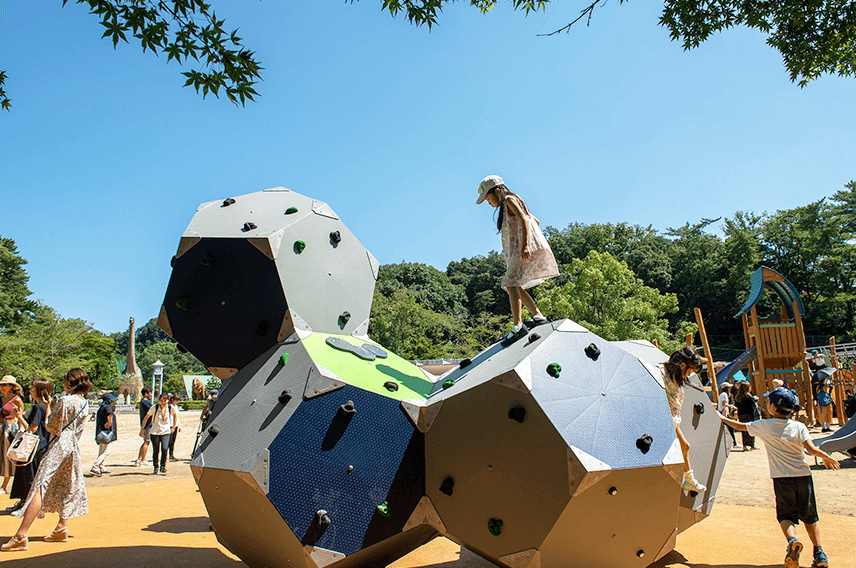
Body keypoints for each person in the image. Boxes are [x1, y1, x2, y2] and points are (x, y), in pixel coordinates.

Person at [717, 387, 839, 568]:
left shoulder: (765, 425)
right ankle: (819, 553)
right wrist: (825, 456)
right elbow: (811, 449)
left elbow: (739, 426)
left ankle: (792, 541)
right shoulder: (799, 426)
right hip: (804, 477)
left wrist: (721, 418)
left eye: (768, 401)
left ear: (773, 407)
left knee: (785, 516)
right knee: (810, 517)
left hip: (782, 478)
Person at [1, 368, 92, 552]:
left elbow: (50, 425)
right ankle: (61, 527)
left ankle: (21, 535)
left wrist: (50, 407)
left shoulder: (65, 401)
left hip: (59, 444)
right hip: (73, 447)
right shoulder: (84, 402)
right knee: (67, 485)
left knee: (39, 486)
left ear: (70, 382)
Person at [476, 175, 559, 344]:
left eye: (488, 198)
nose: (489, 203)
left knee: (510, 283)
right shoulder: (511, 202)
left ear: (497, 191)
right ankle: (538, 316)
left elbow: (525, 220)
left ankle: (518, 326)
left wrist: (526, 245)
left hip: (524, 248)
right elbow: (535, 219)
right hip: (522, 248)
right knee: (516, 284)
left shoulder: (509, 201)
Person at [661, 346, 707, 493]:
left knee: (684, 446)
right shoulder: (662, 373)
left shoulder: (678, 378)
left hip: (673, 422)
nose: (690, 374)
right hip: (664, 421)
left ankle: (689, 480)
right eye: (691, 370)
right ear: (682, 365)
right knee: (675, 450)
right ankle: (685, 480)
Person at [7, 379, 52, 512]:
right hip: (40, 446)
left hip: (33, 447)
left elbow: (32, 429)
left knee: (28, 477)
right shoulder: (44, 407)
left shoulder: (38, 408)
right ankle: (25, 503)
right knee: (29, 476)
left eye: (33, 388)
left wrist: (19, 417)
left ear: (40, 390)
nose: (30, 390)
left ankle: (27, 505)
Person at [1, 375, 26, 496]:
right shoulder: (0, 398)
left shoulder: (17, 400)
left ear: (12, 386)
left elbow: (21, 416)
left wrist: (20, 433)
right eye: (1, 385)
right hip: (0, 428)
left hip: (9, 429)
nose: (1, 387)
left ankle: (4, 486)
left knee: (7, 457)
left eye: (4, 385)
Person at [142, 392, 178, 475]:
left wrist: (174, 427)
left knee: (165, 448)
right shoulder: (155, 407)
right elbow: (147, 417)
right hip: (155, 431)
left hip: (166, 431)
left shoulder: (170, 407)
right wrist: (143, 428)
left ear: (168, 401)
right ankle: (156, 467)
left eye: (165, 401)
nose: (163, 403)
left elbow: (175, 415)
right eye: (161, 401)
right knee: (156, 450)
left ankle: (163, 466)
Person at [90, 393, 118, 476]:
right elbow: (110, 414)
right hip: (106, 432)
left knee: (101, 450)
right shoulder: (108, 407)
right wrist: (109, 423)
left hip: (100, 432)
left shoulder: (101, 408)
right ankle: (95, 467)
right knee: (107, 451)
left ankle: (102, 467)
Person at [734, 381, 760, 450]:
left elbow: (736, 405)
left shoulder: (738, 396)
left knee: (744, 431)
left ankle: (744, 446)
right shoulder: (748, 396)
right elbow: (752, 405)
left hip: (741, 415)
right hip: (749, 415)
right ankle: (752, 445)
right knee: (751, 430)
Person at [134, 386, 153, 467]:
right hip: (147, 425)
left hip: (145, 425)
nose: (151, 395)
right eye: (150, 393)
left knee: (145, 442)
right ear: (146, 393)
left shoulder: (142, 402)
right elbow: (153, 409)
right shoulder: (145, 402)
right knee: (147, 442)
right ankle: (143, 460)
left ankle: (139, 459)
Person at [718, 382, 738, 446]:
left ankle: (733, 443)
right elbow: (724, 404)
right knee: (730, 428)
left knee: (728, 429)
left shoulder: (723, 394)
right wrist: (731, 406)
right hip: (724, 413)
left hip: (723, 413)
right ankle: (734, 443)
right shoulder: (724, 395)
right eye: (729, 387)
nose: (730, 389)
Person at [167, 394, 182, 461]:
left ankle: (171, 455)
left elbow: (177, 417)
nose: (177, 402)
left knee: (172, 441)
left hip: (175, 425)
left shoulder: (176, 406)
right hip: (170, 425)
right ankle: (166, 455)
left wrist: (179, 425)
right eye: (176, 400)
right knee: (168, 441)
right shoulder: (169, 406)